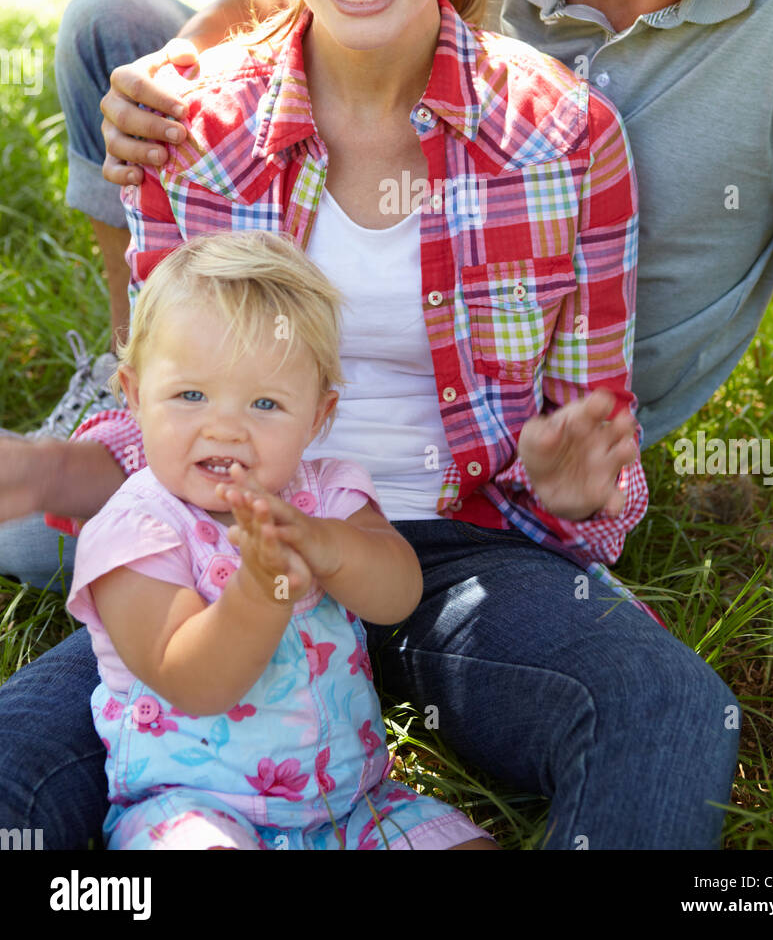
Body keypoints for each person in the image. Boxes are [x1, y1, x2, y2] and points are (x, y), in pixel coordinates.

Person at [0, 0, 738, 852]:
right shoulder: (191, 127)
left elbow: (605, 482)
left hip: (461, 558)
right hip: (227, 545)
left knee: (666, 708)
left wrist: (577, 483)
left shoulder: (562, 137)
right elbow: (167, 424)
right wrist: (58, 468)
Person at [69, 229, 494, 850]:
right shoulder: (135, 531)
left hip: (355, 806)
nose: (226, 428)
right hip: (196, 809)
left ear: (318, 416)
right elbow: (196, 680)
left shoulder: (325, 497)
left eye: (265, 403)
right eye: (191, 395)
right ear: (134, 395)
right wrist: (263, 585)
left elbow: (399, 595)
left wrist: (331, 547)